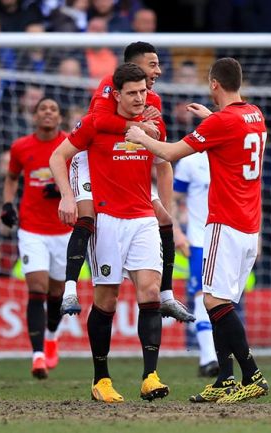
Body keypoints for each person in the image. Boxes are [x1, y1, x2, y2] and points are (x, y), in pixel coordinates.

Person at [126, 57, 269, 403]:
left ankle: (252, 375)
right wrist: (212, 118)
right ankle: (224, 378)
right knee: (222, 301)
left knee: (213, 301)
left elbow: (171, 151)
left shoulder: (222, 124)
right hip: (250, 225)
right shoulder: (255, 115)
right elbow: (233, 131)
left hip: (226, 223)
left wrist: (140, 136)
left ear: (213, 85)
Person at [50, 63, 170, 403]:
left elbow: (163, 154)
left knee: (149, 292)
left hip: (142, 217)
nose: (138, 98)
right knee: (107, 299)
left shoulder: (153, 121)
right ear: (115, 94)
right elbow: (59, 156)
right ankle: (101, 379)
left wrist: (164, 204)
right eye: (131, 93)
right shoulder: (94, 124)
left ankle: (150, 376)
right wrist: (67, 195)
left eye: (143, 92)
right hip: (108, 221)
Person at [59, 41, 193, 323]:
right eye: (152, 64)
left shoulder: (153, 99)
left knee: (164, 220)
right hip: (92, 157)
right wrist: (139, 126)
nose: (158, 71)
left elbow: (163, 157)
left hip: (129, 166)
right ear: (134, 66)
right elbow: (99, 119)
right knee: (87, 215)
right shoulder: (109, 85)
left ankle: (166, 295)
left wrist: (166, 207)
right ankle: (69, 289)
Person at [0, 98, 70, 380]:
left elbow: (83, 178)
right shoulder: (21, 147)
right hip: (31, 229)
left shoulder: (70, 145)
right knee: (37, 288)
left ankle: (52, 336)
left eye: (54, 109)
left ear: (60, 117)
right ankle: (37, 354)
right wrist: (7, 204)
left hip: (64, 229)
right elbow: (12, 177)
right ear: (35, 116)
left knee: (57, 294)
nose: (48, 113)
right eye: (43, 109)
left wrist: (65, 191)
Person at [172, 150, 219, 377]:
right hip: (200, 241)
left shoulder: (234, 156)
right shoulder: (190, 162)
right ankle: (209, 357)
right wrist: (176, 231)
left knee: (223, 300)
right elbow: (173, 197)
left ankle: (214, 357)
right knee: (203, 297)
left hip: (228, 240)